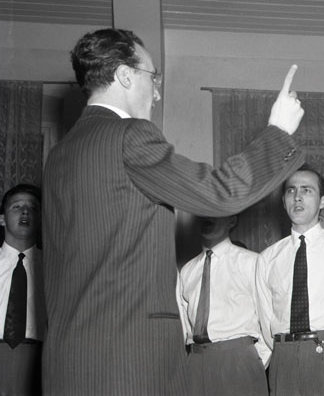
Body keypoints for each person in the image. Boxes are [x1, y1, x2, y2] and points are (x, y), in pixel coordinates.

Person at [41, 28, 305, 395]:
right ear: (125, 75)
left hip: (68, 366)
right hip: (128, 366)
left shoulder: (59, 155)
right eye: (153, 77)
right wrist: (278, 131)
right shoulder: (129, 135)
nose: (157, 92)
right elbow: (221, 193)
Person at [255, 165, 324, 395]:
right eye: (291, 190)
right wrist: (285, 352)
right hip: (284, 360)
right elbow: (266, 320)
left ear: (322, 201)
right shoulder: (268, 258)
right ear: (283, 201)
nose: (297, 197)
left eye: (307, 190)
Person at [178, 215, 269, 395]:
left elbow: (269, 320)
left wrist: (253, 362)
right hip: (195, 363)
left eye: (215, 212)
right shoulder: (187, 270)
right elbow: (185, 326)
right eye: (203, 212)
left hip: (238, 361)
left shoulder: (252, 262)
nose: (208, 217)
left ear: (232, 220)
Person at [0, 184, 45, 396]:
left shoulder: (53, 268)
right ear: (2, 219)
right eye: (17, 206)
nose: (25, 211)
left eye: (33, 208)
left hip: (39, 361)